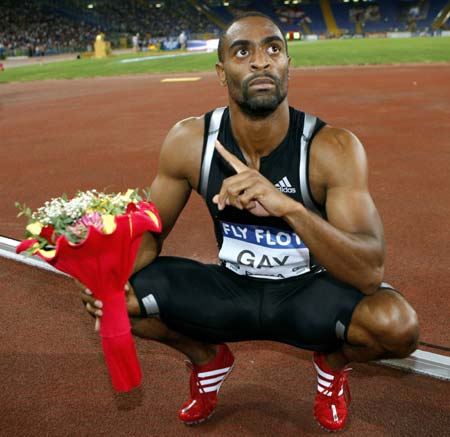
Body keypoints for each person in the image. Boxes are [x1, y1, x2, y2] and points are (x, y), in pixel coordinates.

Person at [81, 12, 419, 432]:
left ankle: (331, 369)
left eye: (273, 49)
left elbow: (369, 272)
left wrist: (289, 207)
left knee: (397, 326)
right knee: (119, 297)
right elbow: (149, 239)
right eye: (243, 52)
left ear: (288, 66)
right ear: (222, 72)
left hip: (306, 293)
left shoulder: (332, 148)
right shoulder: (190, 142)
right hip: (230, 289)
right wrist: (107, 284)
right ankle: (208, 361)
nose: (261, 61)